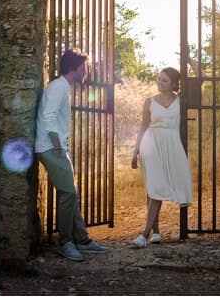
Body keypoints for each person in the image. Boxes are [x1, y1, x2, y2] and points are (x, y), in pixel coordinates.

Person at [34, 49, 111, 262]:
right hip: (50, 148)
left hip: (56, 147)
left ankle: (82, 240)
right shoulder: (58, 88)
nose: (86, 72)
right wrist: (58, 145)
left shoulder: (62, 88)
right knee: (68, 194)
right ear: (74, 69)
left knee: (72, 193)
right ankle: (65, 243)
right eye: (84, 68)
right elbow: (49, 117)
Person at [130, 66, 193, 247]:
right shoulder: (149, 101)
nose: (160, 83)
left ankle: (155, 232)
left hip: (171, 144)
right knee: (154, 186)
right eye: (158, 79)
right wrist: (135, 151)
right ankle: (146, 234)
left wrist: (189, 60)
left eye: (164, 80)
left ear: (173, 84)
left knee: (155, 188)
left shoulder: (181, 100)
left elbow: (200, 82)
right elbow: (143, 127)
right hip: (151, 144)